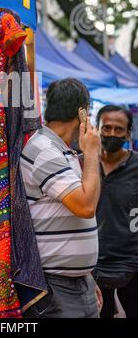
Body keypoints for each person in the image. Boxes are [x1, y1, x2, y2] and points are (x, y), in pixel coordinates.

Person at [20, 78, 102, 318]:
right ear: (82, 112)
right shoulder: (45, 150)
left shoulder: (60, 150)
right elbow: (86, 206)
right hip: (57, 288)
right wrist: (93, 153)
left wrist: (85, 275)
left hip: (77, 283)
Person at [94, 105, 138, 318]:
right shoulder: (83, 163)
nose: (111, 134)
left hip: (132, 260)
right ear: (97, 128)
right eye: (106, 128)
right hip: (94, 263)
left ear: (128, 134)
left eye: (118, 129)